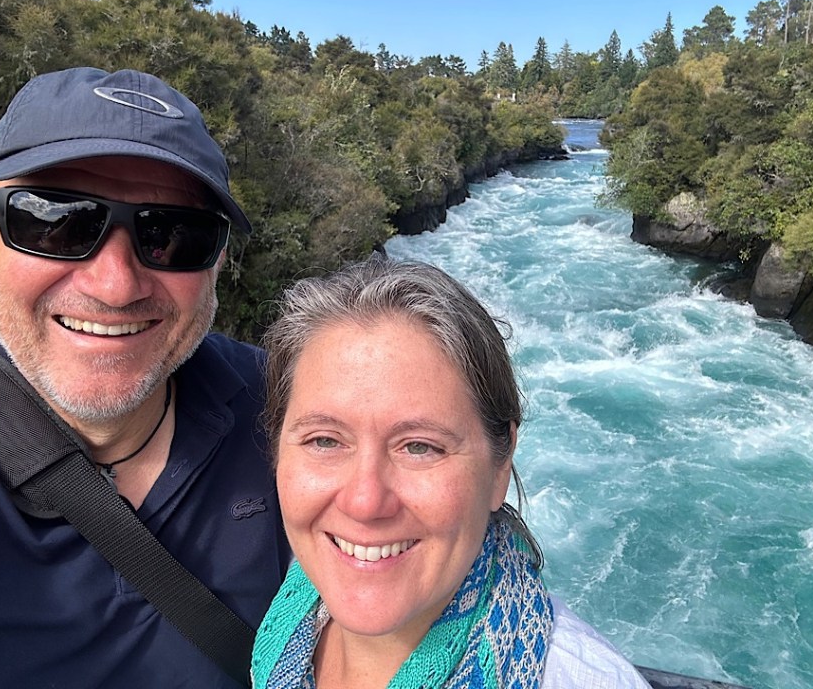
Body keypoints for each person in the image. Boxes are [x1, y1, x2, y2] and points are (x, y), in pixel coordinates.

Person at [0, 67, 291, 687]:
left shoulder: (286, 406)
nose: (116, 286)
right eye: (56, 221)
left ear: (216, 265)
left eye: (172, 235)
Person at [253, 255, 652, 689]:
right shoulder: (296, 606)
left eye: (420, 447)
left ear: (500, 466)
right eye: (325, 441)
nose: (364, 502)